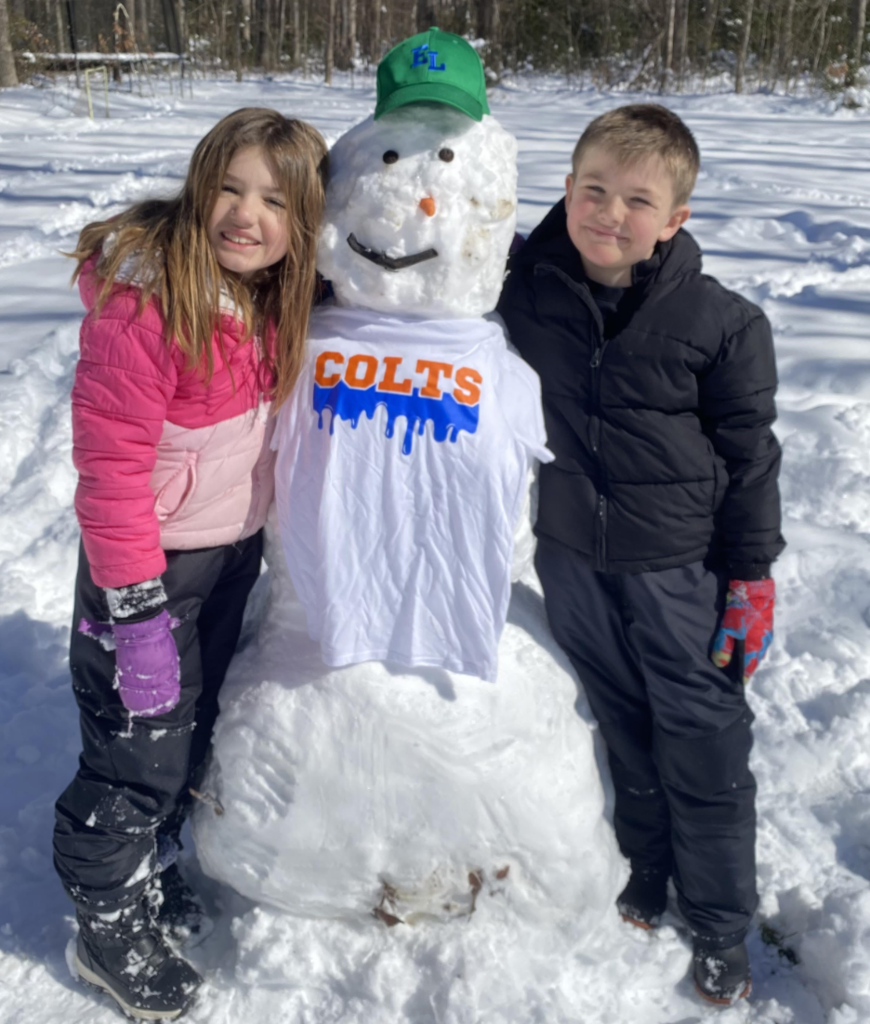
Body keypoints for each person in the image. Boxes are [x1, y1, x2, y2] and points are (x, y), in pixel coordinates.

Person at [497, 103, 784, 1005]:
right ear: (567, 187)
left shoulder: (722, 324)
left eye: (636, 200)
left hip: (680, 574)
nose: (608, 214)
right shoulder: (523, 285)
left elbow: (750, 462)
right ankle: (648, 866)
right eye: (592, 189)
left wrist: (751, 578)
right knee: (622, 725)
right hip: (573, 558)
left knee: (700, 739)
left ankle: (720, 922)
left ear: (675, 220)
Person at [52, 107, 328, 1021]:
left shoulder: (261, 292)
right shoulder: (146, 304)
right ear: (200, 182)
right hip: (148, 573)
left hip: (226, 557)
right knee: (137, 752)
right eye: (231, 187)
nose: (247, 214)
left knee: (191, 726)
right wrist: (133, 614)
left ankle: (150, 867)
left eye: (276, 201)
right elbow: (111, 472)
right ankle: (104, 920)